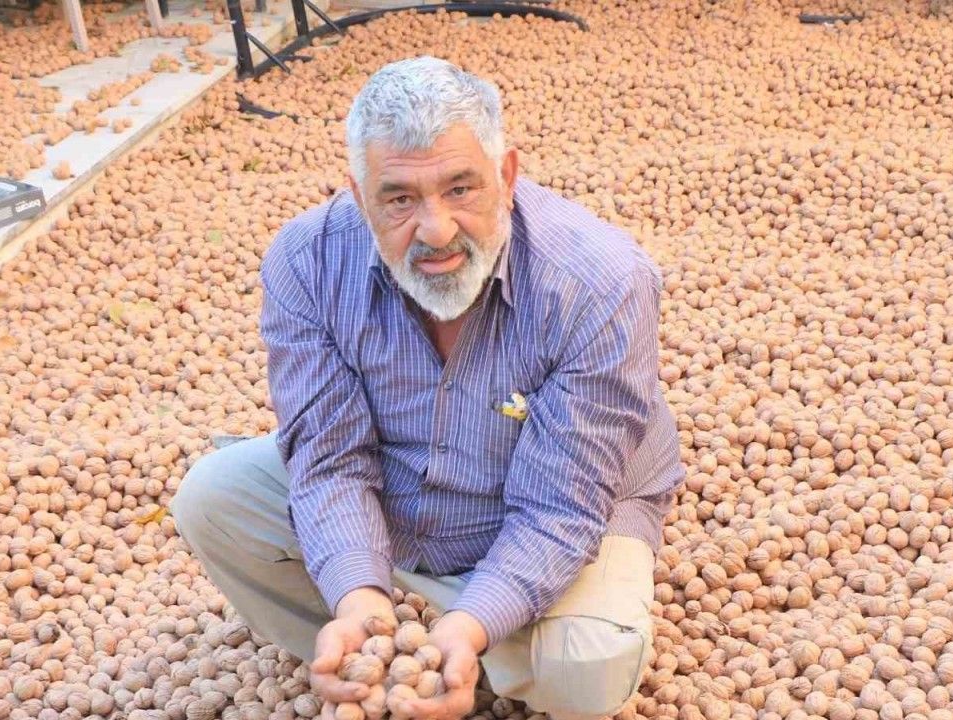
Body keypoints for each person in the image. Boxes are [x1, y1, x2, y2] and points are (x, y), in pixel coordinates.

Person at [171, 55, 684, 720]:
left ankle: (477, 643)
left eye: (460, 189)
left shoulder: (601, 282)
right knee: (212, 499)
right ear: (360, 198)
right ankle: (387, 652)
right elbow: (330, 460)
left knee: (588, 666)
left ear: (506, 176)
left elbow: (560, 508)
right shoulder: (307, 262)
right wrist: (359, 602)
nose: (436, 231)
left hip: (566, 501)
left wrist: (468, 626)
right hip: (401, 482)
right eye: (399, 200)